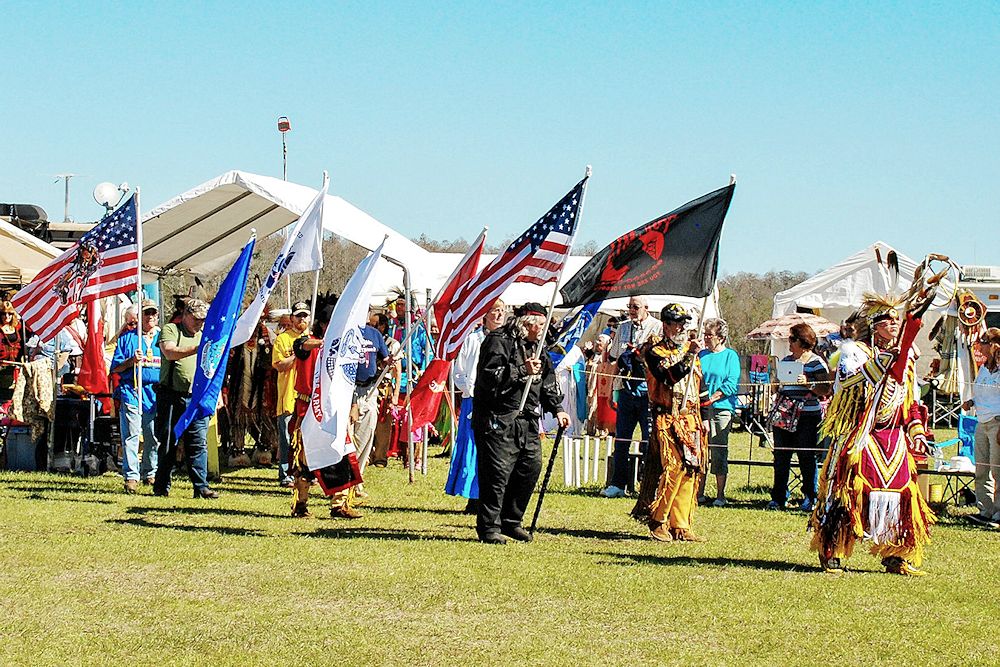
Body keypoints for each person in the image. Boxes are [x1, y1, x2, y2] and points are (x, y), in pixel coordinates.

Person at [810, 293, 934, 575]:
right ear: (874, 326)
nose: (892, 324)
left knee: (903, 493)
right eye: (886, 321)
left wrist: (916, 431)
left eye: (895, 320)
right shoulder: (854, 353)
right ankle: (832, 549)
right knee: (848, 491)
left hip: (894, 436)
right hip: (861, 432)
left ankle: (895, 554)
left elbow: (911, 401)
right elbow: (849, 384)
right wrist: (885, 363)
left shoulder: (908, 360)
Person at [472, 302, 569, 544]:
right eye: (540, 325)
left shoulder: (538, 347)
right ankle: (489, 527)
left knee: (529, 468)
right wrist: (520, 370)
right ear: (527, 324)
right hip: (497, 418)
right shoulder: (498, 340)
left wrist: (557, 408)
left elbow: (547, 379)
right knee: (496, 475)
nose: (544, 330)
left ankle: (511, 521)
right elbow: (487, 378)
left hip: (527, 420)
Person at [635, 303, 706, 541]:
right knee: (673, 467)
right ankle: (658, 519)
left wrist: (703, 417)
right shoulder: (655, 351)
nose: (681, 327)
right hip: (667, 417)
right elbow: (669, 376)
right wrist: (689, 355)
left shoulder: (690, 350)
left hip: (690, 418)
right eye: (677, 323)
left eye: (684, 323)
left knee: (691, 469)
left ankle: (681, 524)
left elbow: (698, 386)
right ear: (666, 324)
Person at [152, 298, 219, 499]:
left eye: (203, 320)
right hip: (171, 396)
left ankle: (201, 487)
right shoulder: (171, 330)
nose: (200, 323)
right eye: (197, 319)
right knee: (169, 442)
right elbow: (170, 352)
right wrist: (199, 348)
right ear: (186, 315)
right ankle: (161, 485)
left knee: (198, 443)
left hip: (197, 398)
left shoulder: (206, 334)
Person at [447, 299, 506, 513]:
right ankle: (473, 495)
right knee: (472, 447)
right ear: (485, 314)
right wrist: (471, 390)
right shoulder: (472, 340)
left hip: (499, 402)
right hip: (474, 400)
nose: (498, 315)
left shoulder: (507, 342)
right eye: (494, 311)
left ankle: (491, 496)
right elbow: (459, 372)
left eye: (501, 311)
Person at [601, 295, 661, 498]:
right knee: (622, 438)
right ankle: (618, 483)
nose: (631, 310)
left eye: (635, 307)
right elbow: (615, 361)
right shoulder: (623, 328)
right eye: (629, 307)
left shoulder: (658, 328)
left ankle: (647, 483)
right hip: (626, 391)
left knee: (649, 440)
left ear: (646, 307)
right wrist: (611, 390)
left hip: (648, 393)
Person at [767, 323, 831, 511]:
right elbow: (778, 385)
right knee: (781, 456)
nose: (789, 343)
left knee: (806, 456)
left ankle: (810, 497)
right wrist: (775, 383)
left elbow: (825, 389)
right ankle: (778, 497)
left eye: (792, 339)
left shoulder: (816, 363)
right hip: (785, 414)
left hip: (807, 416)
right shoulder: (786, 360)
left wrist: (809, 383)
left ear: (802, 341)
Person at [110, 300, 161, 493]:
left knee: (153, 436)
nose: (150, 317)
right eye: (146, 313)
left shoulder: (162, 338)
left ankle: (150, 472)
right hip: (132, 391)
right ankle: (131, 476)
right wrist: (131, 361)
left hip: (154, 394)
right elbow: (115, 367)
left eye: (153, 314)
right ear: (139, 317)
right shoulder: (128, 339)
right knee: (131, 435)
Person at [696, 318, 740, 507]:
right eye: (705, 335)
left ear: (721, 338)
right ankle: (699, 492)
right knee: (699, 449)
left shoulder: (730, 356)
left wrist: (713, 397)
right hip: (699, 408)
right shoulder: (701, 355)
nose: (706, 339)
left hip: (722, 408)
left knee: (719, 450)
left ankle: (720, 494)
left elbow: (731, 381)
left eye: (709, 335)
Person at [350, 316, 392, 498]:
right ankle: (343, 482)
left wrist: (388, 363)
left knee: (365, 438)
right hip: (347, 391)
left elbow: (383, 359)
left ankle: (356, 481)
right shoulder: (347, 331)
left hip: (369, 390)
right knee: (348, 440)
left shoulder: (375, 335)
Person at [962, 328, 1000, 525]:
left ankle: (999, 513)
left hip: (997, 423)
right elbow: (983, 392)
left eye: (984, 342)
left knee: (998, 470)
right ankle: (985, 510)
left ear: (994, 346)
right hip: (981, 422)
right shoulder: (984, 368)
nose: (980, 346)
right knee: (982, 469)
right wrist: (972, 402)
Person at [272, 301, 311, 487]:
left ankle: (305, 473)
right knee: (287, 437)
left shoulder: (314, 340)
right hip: (288, 395)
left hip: (308, 397)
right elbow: (279, 365)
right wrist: (298, 353)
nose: (302, 319)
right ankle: (286, 473)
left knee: (306, 438)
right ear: (292, 318)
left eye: (305, 315)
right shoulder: (283, 339)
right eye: (298, 316)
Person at [0, 301, 23, 403]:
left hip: (15, 365)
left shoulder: (18, 327)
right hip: (1, 364)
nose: (6, 316)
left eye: (9, 313)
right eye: (4, 314)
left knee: (12, 393)